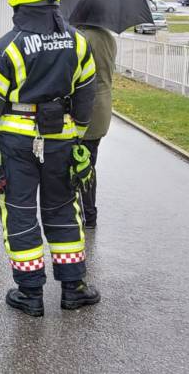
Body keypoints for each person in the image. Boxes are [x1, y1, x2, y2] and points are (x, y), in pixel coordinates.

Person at [0, 0, 101, 315]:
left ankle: (30, 294)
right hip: (62, 140)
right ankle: (74, 288)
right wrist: (77, 136)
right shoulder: (78, 42)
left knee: (20, 214)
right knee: (63, 211)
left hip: (16, 144)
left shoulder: (6, 48)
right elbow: (87, 93)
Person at [73, 24, 117, 228]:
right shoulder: (108, 37)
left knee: (82, 164)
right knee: (90, 161)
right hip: (103, 106)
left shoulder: (83, 38)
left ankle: (87, 213)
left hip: (87, 108)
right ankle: (89, 212)